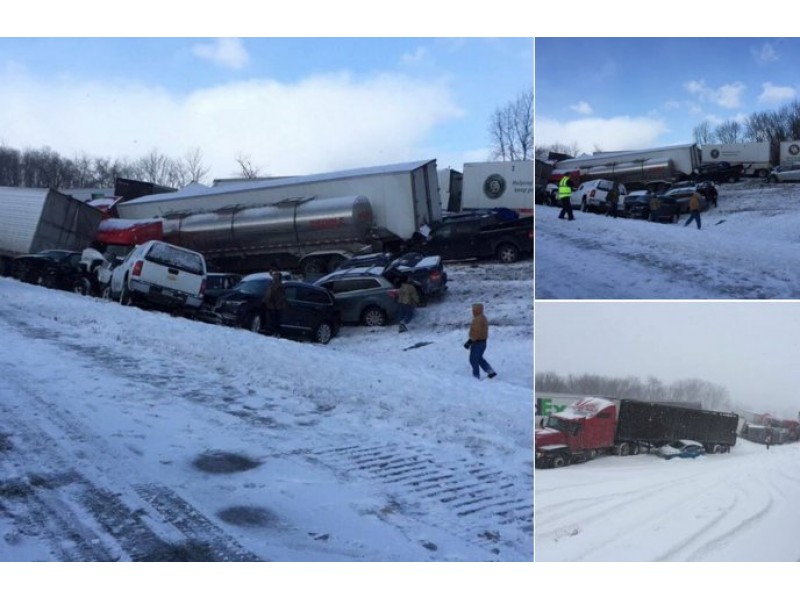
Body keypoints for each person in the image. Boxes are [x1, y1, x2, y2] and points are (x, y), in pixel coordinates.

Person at [464, 303, 496, 380]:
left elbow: (476, 332)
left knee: (473, 359)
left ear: (477, 310)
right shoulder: (483, 317)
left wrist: (470, 341)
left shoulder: (478, 320)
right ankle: (490, 371)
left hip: (477, 342)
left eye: (474, 310)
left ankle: (476, 376)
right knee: (479, 358)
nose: (472, 311)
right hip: (483, 342)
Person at [263, 269, 287, 337]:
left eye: (275, 277)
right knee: (272, 319)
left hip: (276, 306)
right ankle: (273, 331)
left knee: (276, 320)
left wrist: (276, 303)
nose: (274, 278)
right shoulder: (273, 285)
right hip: (272, 305)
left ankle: (275, 332)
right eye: (274, 277)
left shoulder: (279, 286)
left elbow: (279, 296)